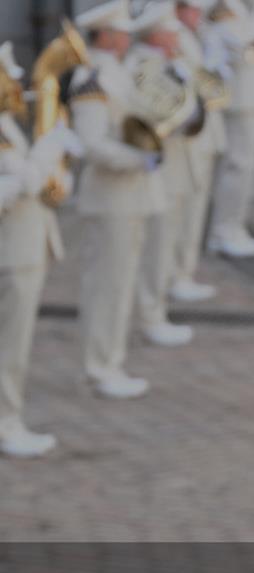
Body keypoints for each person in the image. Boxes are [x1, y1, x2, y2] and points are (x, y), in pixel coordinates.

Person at [71, 0, 164, 400]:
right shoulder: (91, 78)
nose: (128, 39)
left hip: (130, 195)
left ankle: (112, 361)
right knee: (106, 286)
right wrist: (136, 159)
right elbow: (92, 144)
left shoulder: (117, 72)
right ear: (106, 36)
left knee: (121, 282)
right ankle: (99, 367)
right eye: (123, 33)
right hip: (110, 195)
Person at [0, 41, 77, 456]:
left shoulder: (7, 125)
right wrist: (45, 154)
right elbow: (21, 184)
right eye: (10, 80)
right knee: (9, 348)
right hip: (10, 253)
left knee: (15, 346)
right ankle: (6, 425)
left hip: (26, 247)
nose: (17, 88)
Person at [128, 0, 199, 348]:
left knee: (164, 244)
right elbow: (154, 116)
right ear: (156, 36)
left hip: (174, 166)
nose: (177, 39)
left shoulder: (165, 63)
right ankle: (151, 317)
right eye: (172, 33)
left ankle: (157, 312)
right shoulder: (143, 66)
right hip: (160, 170)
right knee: (155, 249)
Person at [206, 0, 254, 257]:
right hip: (239, 96)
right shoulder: (222, 5)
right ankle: (225, 231)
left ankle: (234, 227)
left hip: (250, 95)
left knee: (245, 166)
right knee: (239, 165)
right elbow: (244, 44)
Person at [170, 0, 225, 303]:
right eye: (193, 8)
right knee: (185, 214)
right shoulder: (176, 37)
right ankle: (178, 275)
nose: (199, 14)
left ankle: (184, 272)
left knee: (195, 212)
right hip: (192, 139)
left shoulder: (195, 35)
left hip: (205, 135)